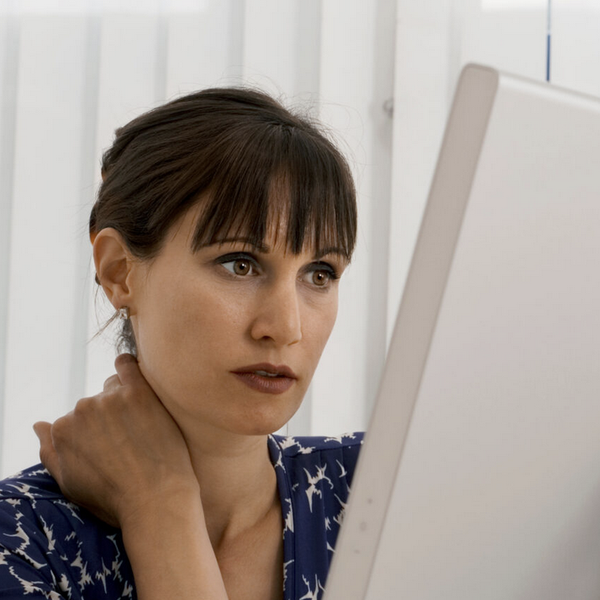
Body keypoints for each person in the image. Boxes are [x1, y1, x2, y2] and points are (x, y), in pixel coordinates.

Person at [0, 88, 364, 600]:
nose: (286, 327)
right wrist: (161, 505)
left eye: (319, 274)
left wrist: (159, 507)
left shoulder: (379, 493)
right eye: (240, 263)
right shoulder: (22, 542)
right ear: (119, 272)